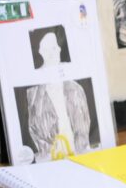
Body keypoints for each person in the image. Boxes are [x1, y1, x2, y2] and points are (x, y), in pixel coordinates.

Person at [26, 31, 91, 161]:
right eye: (52, 47)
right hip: (51, 160)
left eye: (56, 46)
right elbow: (34, 129)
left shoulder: (76, 89)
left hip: (80, 157)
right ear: (41, 52)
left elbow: (84, 125)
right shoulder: (33, 93)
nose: (57, 50)